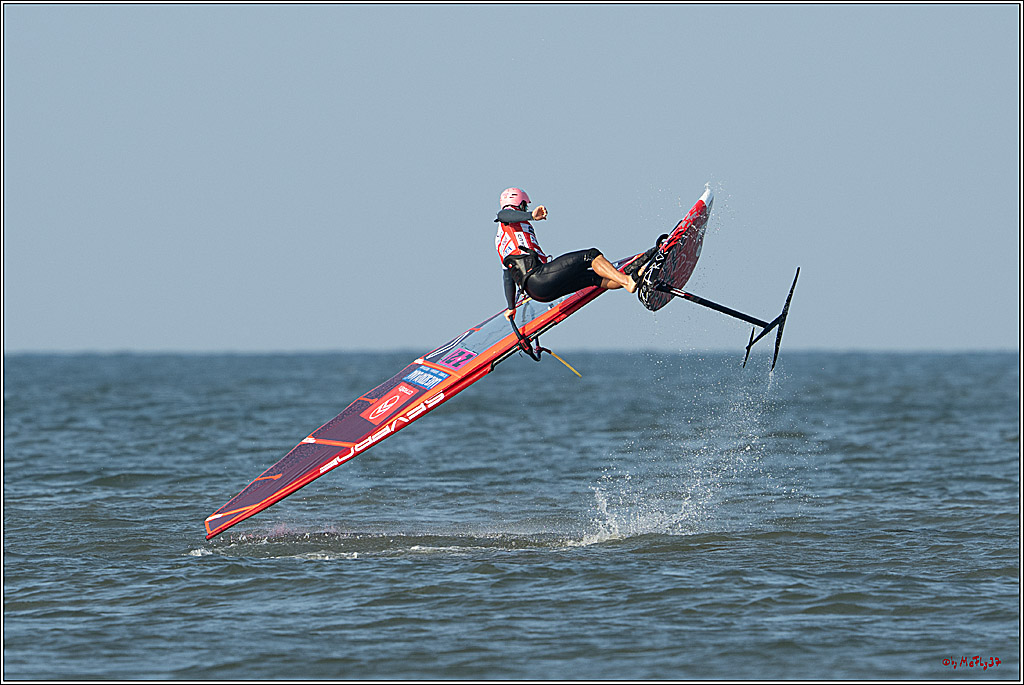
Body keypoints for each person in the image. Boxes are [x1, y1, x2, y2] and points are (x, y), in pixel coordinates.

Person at [494, 187, 656, 320]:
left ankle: (636, 277)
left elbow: (507, 278)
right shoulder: (507, 217)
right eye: (525, 206)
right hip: (540, 277)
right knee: (591, 256)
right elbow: (504, 214)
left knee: (593, 278)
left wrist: (511, 307)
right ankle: (627, 281)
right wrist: (531, 216)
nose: (526, 209)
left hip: (538, 293)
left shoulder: (501, 242)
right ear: (518, 204)